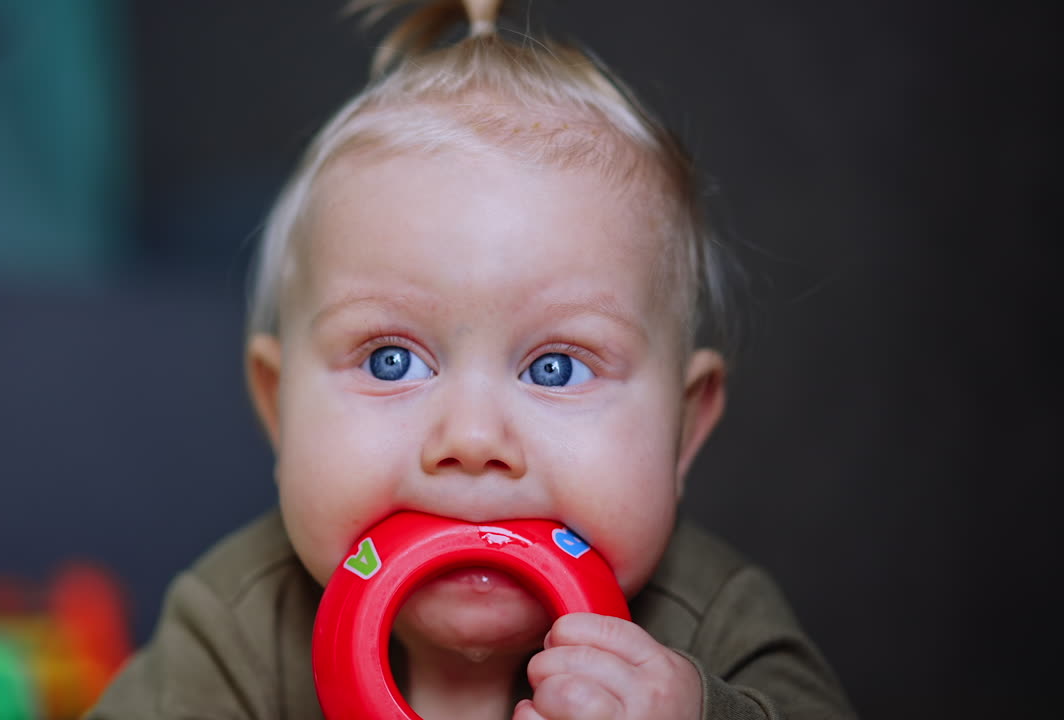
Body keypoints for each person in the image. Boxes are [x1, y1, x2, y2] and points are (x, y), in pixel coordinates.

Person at [90, 0, 855, 717]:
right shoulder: (235, 623)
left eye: (556, 367)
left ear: (682, 430)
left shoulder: (714, 618)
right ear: (278, 408)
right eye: (391, 361)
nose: (473, 438)